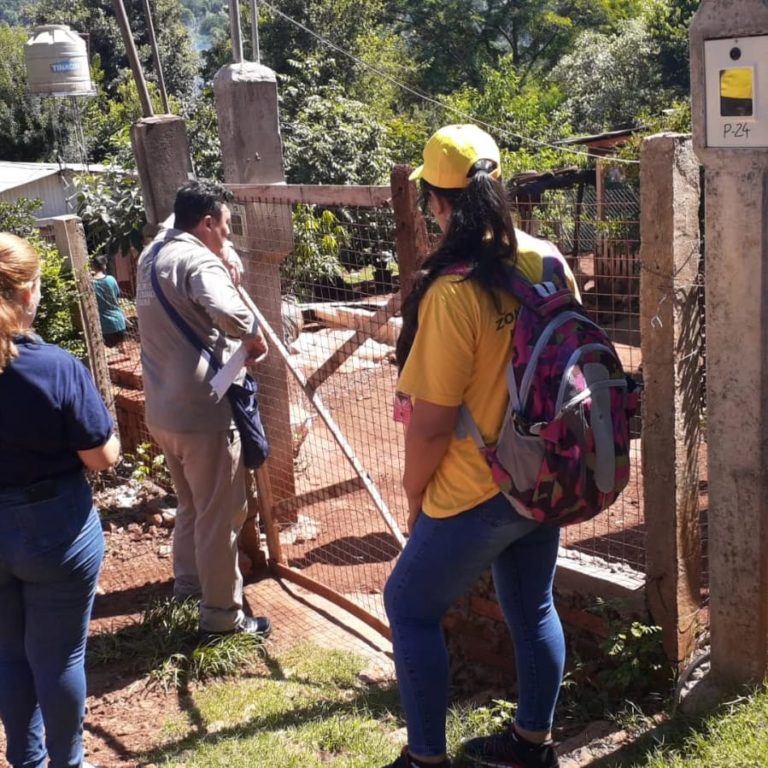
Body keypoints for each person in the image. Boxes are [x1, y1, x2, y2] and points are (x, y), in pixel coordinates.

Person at [383, 125, 579, 768]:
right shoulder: (546, 258)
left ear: (436, 203)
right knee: (533, 605)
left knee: (408, 606)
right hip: (544, 475)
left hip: (477, 487)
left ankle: (424, 759)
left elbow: (433, 424)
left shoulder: (453, 291)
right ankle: (532, 743)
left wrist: (415, 497)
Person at [0, 232, 120, 768]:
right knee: (59, 657)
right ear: (27, 295)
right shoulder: (55, 367)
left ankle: (26, 761)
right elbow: (101, 457)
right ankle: (65, 763)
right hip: (55, 529)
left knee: (7, 656)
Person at [135, 179, 271, 641]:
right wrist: (251, 333)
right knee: (220, 517)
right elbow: (229, 313)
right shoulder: (196, 258)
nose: (228, 238)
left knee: (191, 506)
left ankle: (188, 589)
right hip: (202, 411)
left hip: (162, 410)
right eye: (226, 228)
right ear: (208, 222)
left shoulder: (152, 254)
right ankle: (222, 619)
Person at [90, 254, 127, 347]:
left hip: (105, 325)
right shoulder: (111, 279)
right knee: (121, 349)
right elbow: (117, 295)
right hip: (119, 321)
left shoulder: (91, 284)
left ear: (92, 266)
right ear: (104, 266)